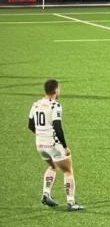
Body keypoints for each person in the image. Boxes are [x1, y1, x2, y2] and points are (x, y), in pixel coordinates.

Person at [28, 80, 84, 211]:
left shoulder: (35, 105)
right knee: (68, 171)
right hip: (53, 144)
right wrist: (64, 146)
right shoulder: (55, 105)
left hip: (40, 145)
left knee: (53, 166)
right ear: (56, 90)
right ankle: (71, 202)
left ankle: (46, 193)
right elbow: (57, 127)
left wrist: (40, 134)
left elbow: (30, 125)